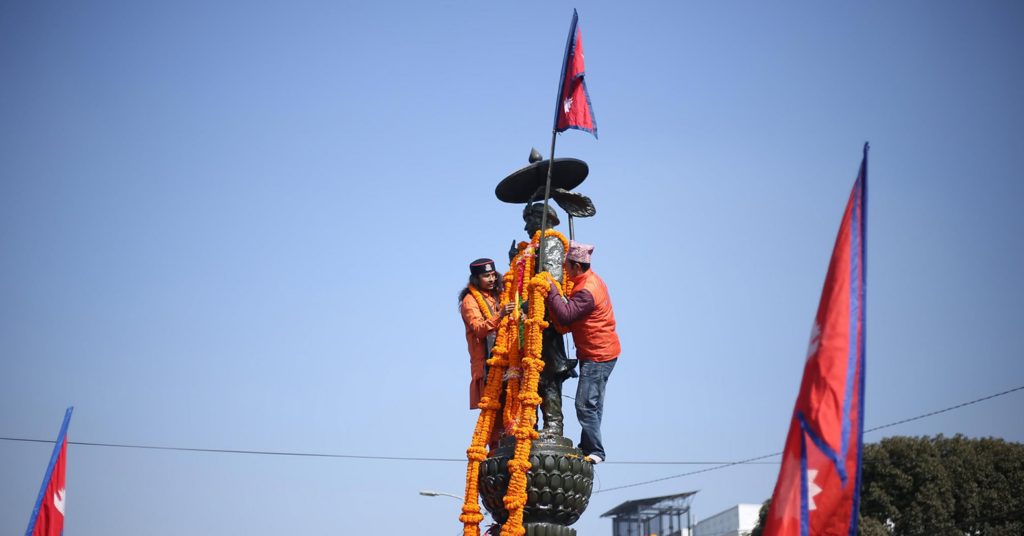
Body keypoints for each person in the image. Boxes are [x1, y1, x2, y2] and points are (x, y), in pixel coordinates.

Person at [544, 241, 620, 464]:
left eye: (565, 264)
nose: (563, 267)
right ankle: (587, 446)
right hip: (600, 351)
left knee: (585, 404)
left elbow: (566, 316)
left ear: (577, 266)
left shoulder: (588, 290)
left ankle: (596, 451)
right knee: (593, 403)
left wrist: (553, 290)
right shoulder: (588, 279)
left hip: (598, 354)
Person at [459, 258, 516, 447]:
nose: (491, 279)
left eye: (493, 275)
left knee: (512, 408)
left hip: (506, 359)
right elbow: (479, 329)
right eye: (486, 276)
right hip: (486, 365)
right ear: (476, 279)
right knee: (494, 416)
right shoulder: (469, 301)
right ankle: (496, 455)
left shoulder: (498, 294)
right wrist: (500, 315)